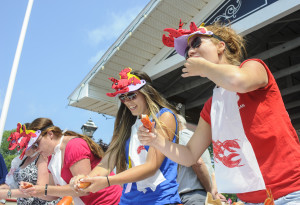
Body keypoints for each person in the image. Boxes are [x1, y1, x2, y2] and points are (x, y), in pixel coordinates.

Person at [138, 20, 300, 204]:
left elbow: (239, 81)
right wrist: (156, 141)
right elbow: (190, 155)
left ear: (220, 46)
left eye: (197, 43)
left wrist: (204, 67)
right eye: (187, 52)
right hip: (250, 200)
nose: (190, 52)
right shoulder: (210, 107)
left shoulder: (253, 66)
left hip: (291, 193)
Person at [70, 67, 182, 205]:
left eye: (132, 95)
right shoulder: (125, 127)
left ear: (146, 92)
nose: (128, 101)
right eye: (123, 97)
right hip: (127, 201)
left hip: (161, 200)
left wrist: (108, 181)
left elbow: (151, 166)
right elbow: (106, 164)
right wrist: (84, 180)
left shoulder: (164, 116)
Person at [21, 118, 122, 205]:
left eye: (37, 144)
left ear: (50, 134)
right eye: (33, 147)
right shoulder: (52, 157)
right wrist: (33, 191)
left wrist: (43, 190)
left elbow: (84, 189)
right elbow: (53, 195)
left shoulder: (74, 145)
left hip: (110, 201)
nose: (36, 150)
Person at [0, 123, 58, 205]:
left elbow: (41, 190)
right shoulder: (21, 161)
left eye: (24, 144)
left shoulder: (42, 157)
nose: (20, 147)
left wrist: (8, 193)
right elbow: (10, 185)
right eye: (19, 145)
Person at [177, 114, 226, 205]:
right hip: (200, 195)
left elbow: (198, 163)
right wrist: (214, 193)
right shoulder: (197, 139)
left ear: (176, 122)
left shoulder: (181, 136)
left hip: (191, 195)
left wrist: (210, 191)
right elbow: (211, 171)